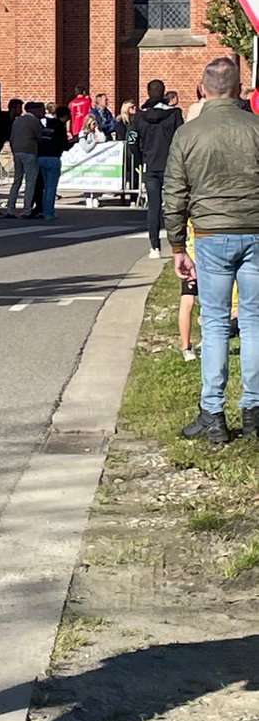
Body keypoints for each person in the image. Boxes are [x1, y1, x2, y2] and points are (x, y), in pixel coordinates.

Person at [164, 56, 259, 444]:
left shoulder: (188, 134)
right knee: (253, 322)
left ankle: (213, 413)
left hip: (210, 234)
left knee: (217, 322)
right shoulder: (256, 128)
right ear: (239, 89)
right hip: (255, 230)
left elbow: (174, 194)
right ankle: (253, 410)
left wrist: (176, 245)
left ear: (203, 89)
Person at [133, 79, 184, 258]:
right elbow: (182, 138)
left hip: (150, 165)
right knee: (176, 205)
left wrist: (140, 159)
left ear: (148, 93)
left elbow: (131, 139)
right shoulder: (175, 114)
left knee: (153, 207)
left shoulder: (139, 116)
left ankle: (155, 246)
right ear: (164, 94)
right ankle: (178, 245)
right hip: (172, 165)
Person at [6, 101, 43, 217]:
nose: (42, 112)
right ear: (34, 110)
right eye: (40, 109)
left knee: (17, 181)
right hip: (29, 151)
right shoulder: (34, 121)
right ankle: (27, 209)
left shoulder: (17, 121)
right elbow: (39, 137)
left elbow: (11, 138)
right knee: (30, 181)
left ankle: (10, 209)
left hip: (16, 151)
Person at [38, 105, 72, 220]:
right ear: (66, 116)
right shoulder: (60, 127)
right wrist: (75, 141)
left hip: (42, 157)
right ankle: (49, 213)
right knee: (51, 187)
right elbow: (64, 146)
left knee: (45, 186)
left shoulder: (47, 126)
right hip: (53, 158)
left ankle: (43, 209)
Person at [179, 220, 199, 362]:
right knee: (188, 301)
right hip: (193, 258)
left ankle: (189, 347)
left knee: (209, 303)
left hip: (203, 256)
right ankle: (186, 346)